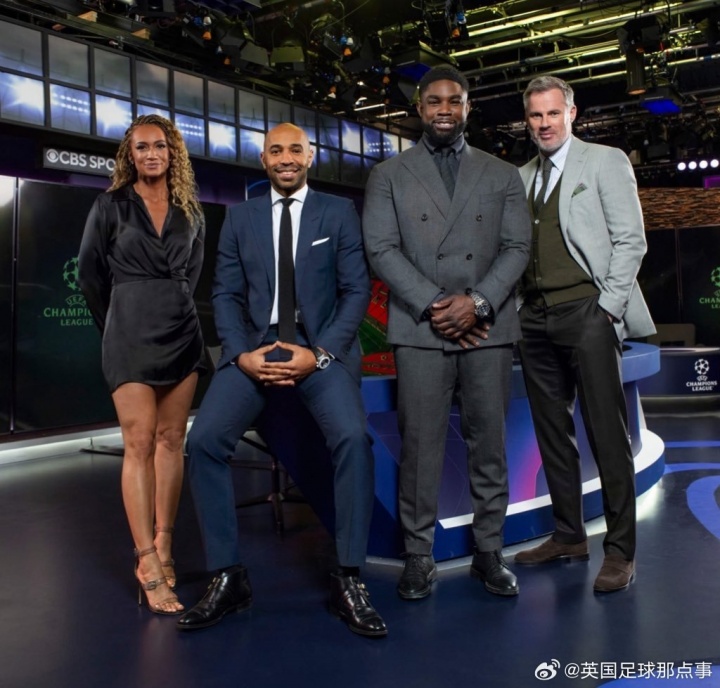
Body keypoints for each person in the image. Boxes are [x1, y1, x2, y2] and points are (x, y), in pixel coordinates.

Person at [177, 123, 387, 638]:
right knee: (203, 441)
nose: (286, 158)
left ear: (310, 157)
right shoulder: (240, 216)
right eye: (276, 150)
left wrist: (319, 354)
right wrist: (241, 355)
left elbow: (355, 290)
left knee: (352, 439)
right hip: (256, 347)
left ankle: (349, 575)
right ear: (264, 160)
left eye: (295, 149)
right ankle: (228, 576)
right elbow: (225, 294)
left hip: (319, 349)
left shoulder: (337, 212)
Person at [362, 66, 531, 600]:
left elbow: (517, 248)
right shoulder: (388, 174)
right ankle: (419, 556)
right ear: (419, 108)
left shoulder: (503, 174)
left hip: (488, 328)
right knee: (419, 447)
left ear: (467, 107)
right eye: (434, 101)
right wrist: (439, 306)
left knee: (489, 444)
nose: (444, 109)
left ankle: (489, 552)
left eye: (454, 101)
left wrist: (476, 304)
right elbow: (381, 248)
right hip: (421, 328)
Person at [513, 76, 655, 592]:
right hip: (534, 319)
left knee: (607, 435)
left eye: (553, 113)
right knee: (552, 435)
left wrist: (607, 310)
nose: (544, 123)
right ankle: (569, 535)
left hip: (588, 313)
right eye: (535, 115)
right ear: (527, 121)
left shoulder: (604, 161)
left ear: (571, 114)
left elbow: (631, 240)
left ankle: (620, 551)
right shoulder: (521, 176)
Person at [78, 114, 206, 614]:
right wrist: (115, 324)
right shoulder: (109, 205)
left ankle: (166, 541)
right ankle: (147, 559)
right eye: (142, 147)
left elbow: (192, 273)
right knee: (139, 443)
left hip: (182, 333)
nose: (151, 154)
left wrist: (175, 305)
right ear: (129, 156)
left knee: (172, 441)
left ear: (173, 153)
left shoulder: (190, 210)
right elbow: (90, 274)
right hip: (128, 333)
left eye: (160, 146)